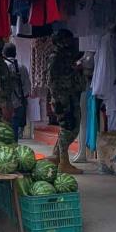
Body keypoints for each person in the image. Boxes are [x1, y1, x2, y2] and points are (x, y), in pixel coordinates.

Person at [48, 29, 86, 175]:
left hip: (65, 97)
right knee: (70, 128)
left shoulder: (63, 57)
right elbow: (55, 81)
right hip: (64, 98)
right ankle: (64, 162)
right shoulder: (58, 58)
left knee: (67, 127)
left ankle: (58, 156)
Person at [3, 43, 30, 140]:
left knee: (5, 130)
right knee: (15, 128)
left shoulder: (3, 66)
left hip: (5, 104)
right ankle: (15, 147)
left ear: (4, 53)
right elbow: (27, 89)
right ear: (15, 53)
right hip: (19, 103)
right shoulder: (23, 67)